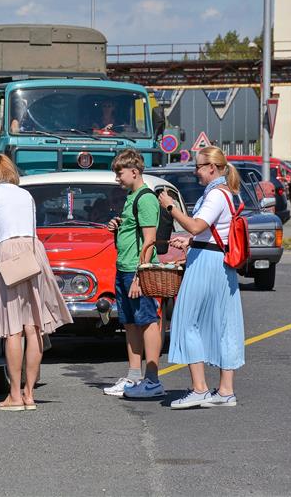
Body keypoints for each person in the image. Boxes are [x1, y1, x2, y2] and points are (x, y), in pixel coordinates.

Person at [0, 154, 73, 411]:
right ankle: (30, 394)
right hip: (34, 251)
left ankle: (14, 395)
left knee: (12, 328)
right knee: (33, 326)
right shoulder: (25, 195)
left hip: (9, 253)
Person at [156, 146, 245, 409]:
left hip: (207, 263)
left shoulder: (216, 195)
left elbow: (196, 224)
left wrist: (170, 206)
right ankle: (226, 391)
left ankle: (200, 389)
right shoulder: (226, 193)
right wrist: (192, 241)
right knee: (225, 324)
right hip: (220, 260)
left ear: (212, 168)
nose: (195, 171)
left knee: (186, 320)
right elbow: (211, 231)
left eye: (198, 167)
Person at [102, 149, 165, 399]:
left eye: (120, 173)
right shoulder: (132, 196)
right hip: (124, 267)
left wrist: (140, 275)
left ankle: (152, 379)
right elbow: (133, 232)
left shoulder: (145, 198)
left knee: (148, 321)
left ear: (134, 171)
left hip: (138, 271)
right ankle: (134, 376)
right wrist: (118, 227)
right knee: (130, 323)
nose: (117, 178)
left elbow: (149, 240)